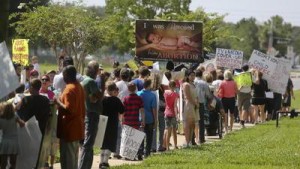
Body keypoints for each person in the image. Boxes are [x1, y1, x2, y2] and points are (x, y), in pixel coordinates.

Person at [54, 65, 85, 169]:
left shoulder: (69, 89)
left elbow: (69, 109)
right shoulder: (79, 86)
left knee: (68, 161)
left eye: (63, 75)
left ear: (66, 75)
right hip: (77, 128)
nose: (63, 77)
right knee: (73, 159)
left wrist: (57, 101)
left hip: (69, 130)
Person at [79, 61, 103, 169]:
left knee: (89, 143)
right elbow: (99, 96)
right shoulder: (91, 82)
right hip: (92, 114)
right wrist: (102, 81)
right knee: (88, 144)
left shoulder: (84, 81)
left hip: (87, 113)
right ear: (96, 71)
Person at [100, 81, 124, 168]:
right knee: (110, 143)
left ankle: (101, 161)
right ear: (114, 90)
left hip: (103, 123)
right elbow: (122, 110)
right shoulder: (116, 100)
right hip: (113, 124)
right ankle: (105, 162)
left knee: (103, 142)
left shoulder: (102, 99)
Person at [122, 82, 144, 160]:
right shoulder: (139, 98)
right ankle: (133, 155)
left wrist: (122, 120)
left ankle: (127, 155)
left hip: (127, 121)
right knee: (134, 139)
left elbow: (123, 111)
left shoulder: (125, 99)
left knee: (127, 138)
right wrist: (143, 120)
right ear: (135, 89)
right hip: (135, 120)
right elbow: (142, 110)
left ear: (128, 89)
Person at [0, 102, 25, 169]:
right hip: (14, 141)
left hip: (4, 141)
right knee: (13, 163)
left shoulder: (1, 118)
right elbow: (22, 124)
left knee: (3, 163)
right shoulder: (15, 116)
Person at [137, 79, 157, 157]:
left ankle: (140, 151)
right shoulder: (152, 95)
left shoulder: (138, 93)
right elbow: (154, 109)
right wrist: (155, 120)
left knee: (140, 136)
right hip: (149, 118)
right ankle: (147, 152)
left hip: (140, 118)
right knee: (149, 136)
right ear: (149, 85)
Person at [182, 70, 198, 147]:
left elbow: (195, 95)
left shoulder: (193, 84)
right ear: (187, 76)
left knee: (193, 124)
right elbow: (188, 97)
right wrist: (195, 103)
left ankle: (190, 141)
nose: (193, 77)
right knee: (188, 123)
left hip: (194, 105)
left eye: (193, 75)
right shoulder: (186, 85)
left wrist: (197, 103)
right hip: (189, 105)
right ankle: (187, 141)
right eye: (191, 75)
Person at [163, 80, 179, 150]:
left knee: (167, 130)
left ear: (169, 86)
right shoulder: (175, 94)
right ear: (175, 86)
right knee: (174, 130)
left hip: (166, 112)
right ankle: (175, 145)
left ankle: (167, 147)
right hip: (173, 113)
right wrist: (177, 115)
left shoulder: (165, 92)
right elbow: (175, 106)